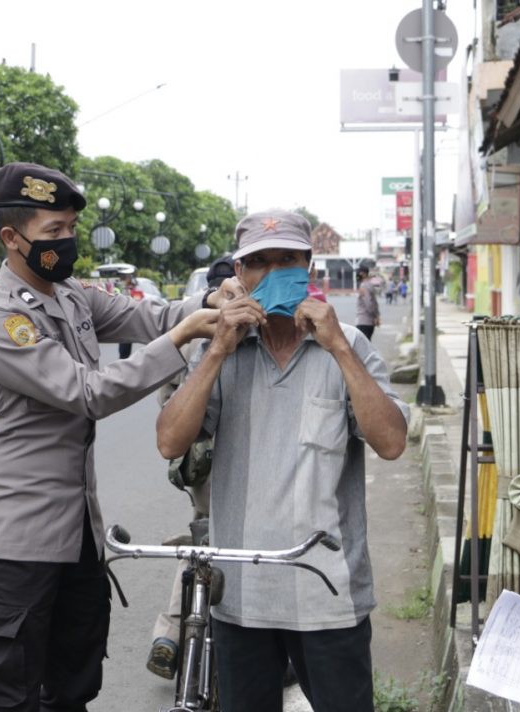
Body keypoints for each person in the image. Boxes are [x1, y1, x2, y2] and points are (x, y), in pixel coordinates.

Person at [0, 162, 223, 712]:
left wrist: (213, 302)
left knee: (74, 684)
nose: (67, 241)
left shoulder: (69, 295)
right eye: (53, 232)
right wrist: (180, 338)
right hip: (14, 543)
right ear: (11, 238)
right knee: (7, 694)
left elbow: (150, 315)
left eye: (72, 227)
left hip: (78, 534)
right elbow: (88, 393)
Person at [157, 210, 409, 712]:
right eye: (259, 263)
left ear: (309, 267)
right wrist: (215, 353)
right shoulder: (221, 352)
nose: (274, 273)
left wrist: (337, 347)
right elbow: (170, 440)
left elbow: (391, 442)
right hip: (241, 596)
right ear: (239, 275)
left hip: (328, 596)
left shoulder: (349, 346)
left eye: (287, 259)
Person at [146, 254, 237, 679]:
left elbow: (166, 403)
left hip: (196, 465)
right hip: (233, 464)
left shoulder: (187, 339)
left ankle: (167, 634)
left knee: (201, 535)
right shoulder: (230, 336)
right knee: (229, 541)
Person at [354, 265, 380, 341]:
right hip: (368, 321)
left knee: (362, 349)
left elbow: (369, 303)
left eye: (359, 273)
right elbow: (374, 302)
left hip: (364, 321)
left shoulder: (364, 286)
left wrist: (375, 317)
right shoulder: (369, 285)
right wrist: (376, 316)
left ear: (364, 274)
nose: (357, 274)